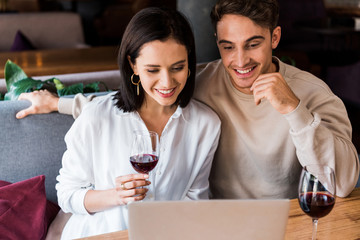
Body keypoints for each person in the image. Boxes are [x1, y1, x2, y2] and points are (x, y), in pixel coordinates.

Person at [17, 0, 359, 199]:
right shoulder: (201, 81)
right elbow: (138, 100)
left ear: (275, 37)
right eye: (228, 46)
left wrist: (293, 110)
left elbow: (342, 184)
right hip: (213, 224)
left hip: (283, 224)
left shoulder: (313, 93)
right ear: (217, 42)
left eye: (253, 43)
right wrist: (58, 103)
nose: (240, 61)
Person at [42, 7, 221, 239]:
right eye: (153, 69)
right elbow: (67, 195)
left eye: (177, 67)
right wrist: (116, 195)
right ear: (133, 65)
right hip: (100, 234)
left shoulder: (206, 125)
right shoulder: (97, 117)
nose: (167, 82)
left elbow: (195, 201)